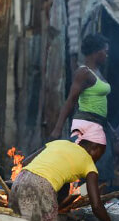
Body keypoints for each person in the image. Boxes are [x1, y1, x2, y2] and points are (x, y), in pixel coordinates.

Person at [9, 124, 119, 221]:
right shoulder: (89, 165)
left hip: (18, 182)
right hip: (41, 186)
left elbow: (26, 162)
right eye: (101, 153)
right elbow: (96, 206)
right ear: (96, 148)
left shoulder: (60, 143)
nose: (99, 158)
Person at [49, 34, 115, 183]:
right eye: (105, 51)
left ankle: (96, 203)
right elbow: (71, 100)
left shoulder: (97, 72)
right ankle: (80, 203)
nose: (106, 55)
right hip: (87, 127)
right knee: (83, 171)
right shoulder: (83, 73)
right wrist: (57, 129)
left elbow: (98, 103)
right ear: (96, 52)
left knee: (100, 172)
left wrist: (110, 128)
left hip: (100, 126)